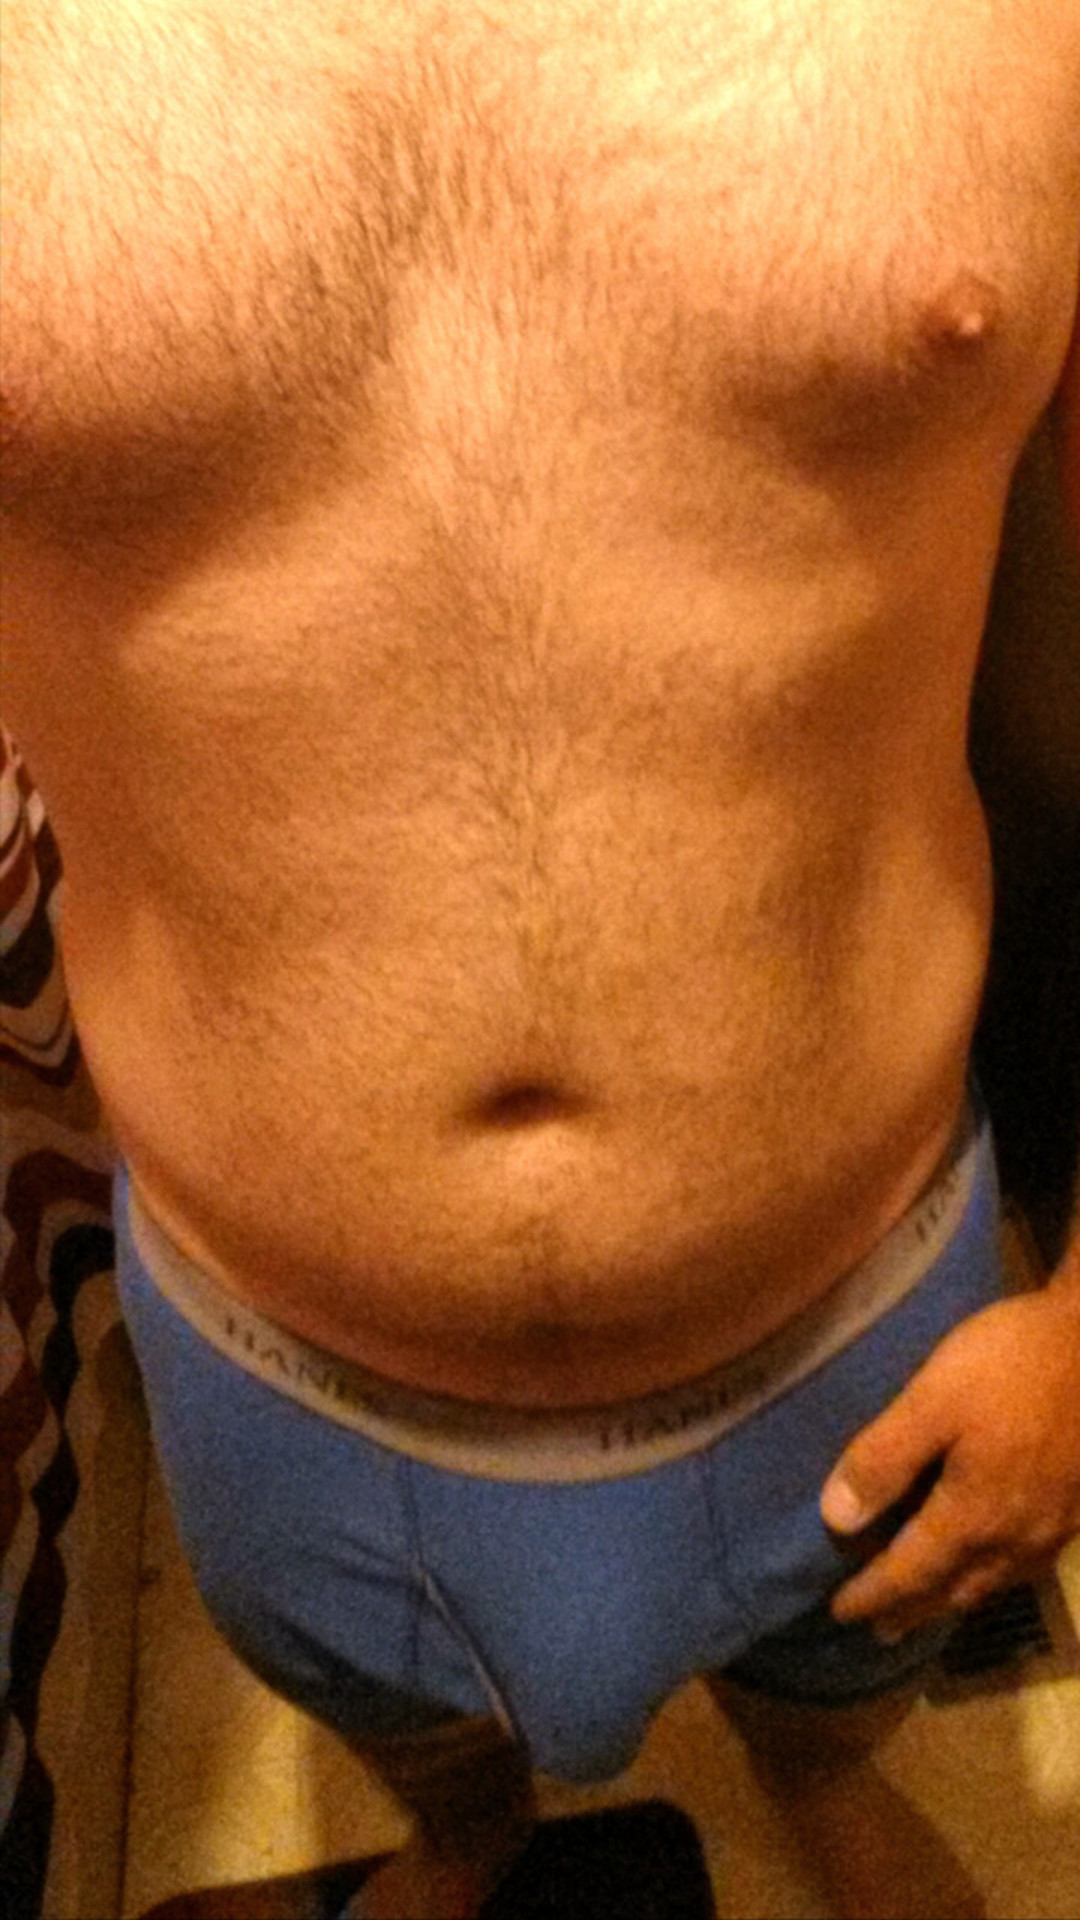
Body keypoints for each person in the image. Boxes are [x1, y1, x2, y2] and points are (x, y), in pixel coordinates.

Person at [3, 4, 1079, 1914]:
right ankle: (466, 1836)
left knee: (845, 1693)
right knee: (418, 1740)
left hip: (875, 1305)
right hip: (271, 1368)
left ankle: (818, 1787)